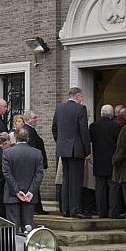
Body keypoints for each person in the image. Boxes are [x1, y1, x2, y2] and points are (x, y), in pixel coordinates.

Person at [51, 88, 89, 218]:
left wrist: (60, 143)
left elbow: (54, 128)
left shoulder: (59, 108)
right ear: (77, 96)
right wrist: (87, 150)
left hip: (63, 149)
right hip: (76, 149)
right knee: (76, 180)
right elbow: (84, 131)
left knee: (66, 180)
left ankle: (65, 210)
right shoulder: (80, 108)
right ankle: (75, 209)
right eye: (81, 96)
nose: (82, 99)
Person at [2, 127, 45, 229]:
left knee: (13, 228)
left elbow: (7, 174)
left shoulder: (7, 153)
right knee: (28, 228)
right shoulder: (37, 153)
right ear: (28, 138)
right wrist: (31, 191)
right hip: (30, 196)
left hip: (12, 195)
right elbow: (39, 174)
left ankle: (14, 245)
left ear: (16, 137)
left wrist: (17, 191)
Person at [89, 104, 123, 219]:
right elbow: (119, 144)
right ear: (112, 114)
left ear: (101, 113)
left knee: (100, 188)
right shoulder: (115, 126)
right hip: (112, 161)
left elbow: (91, 142)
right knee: (113, 187)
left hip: (98, 161)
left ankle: (101, 211)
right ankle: (113, 212)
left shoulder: (93, 126)